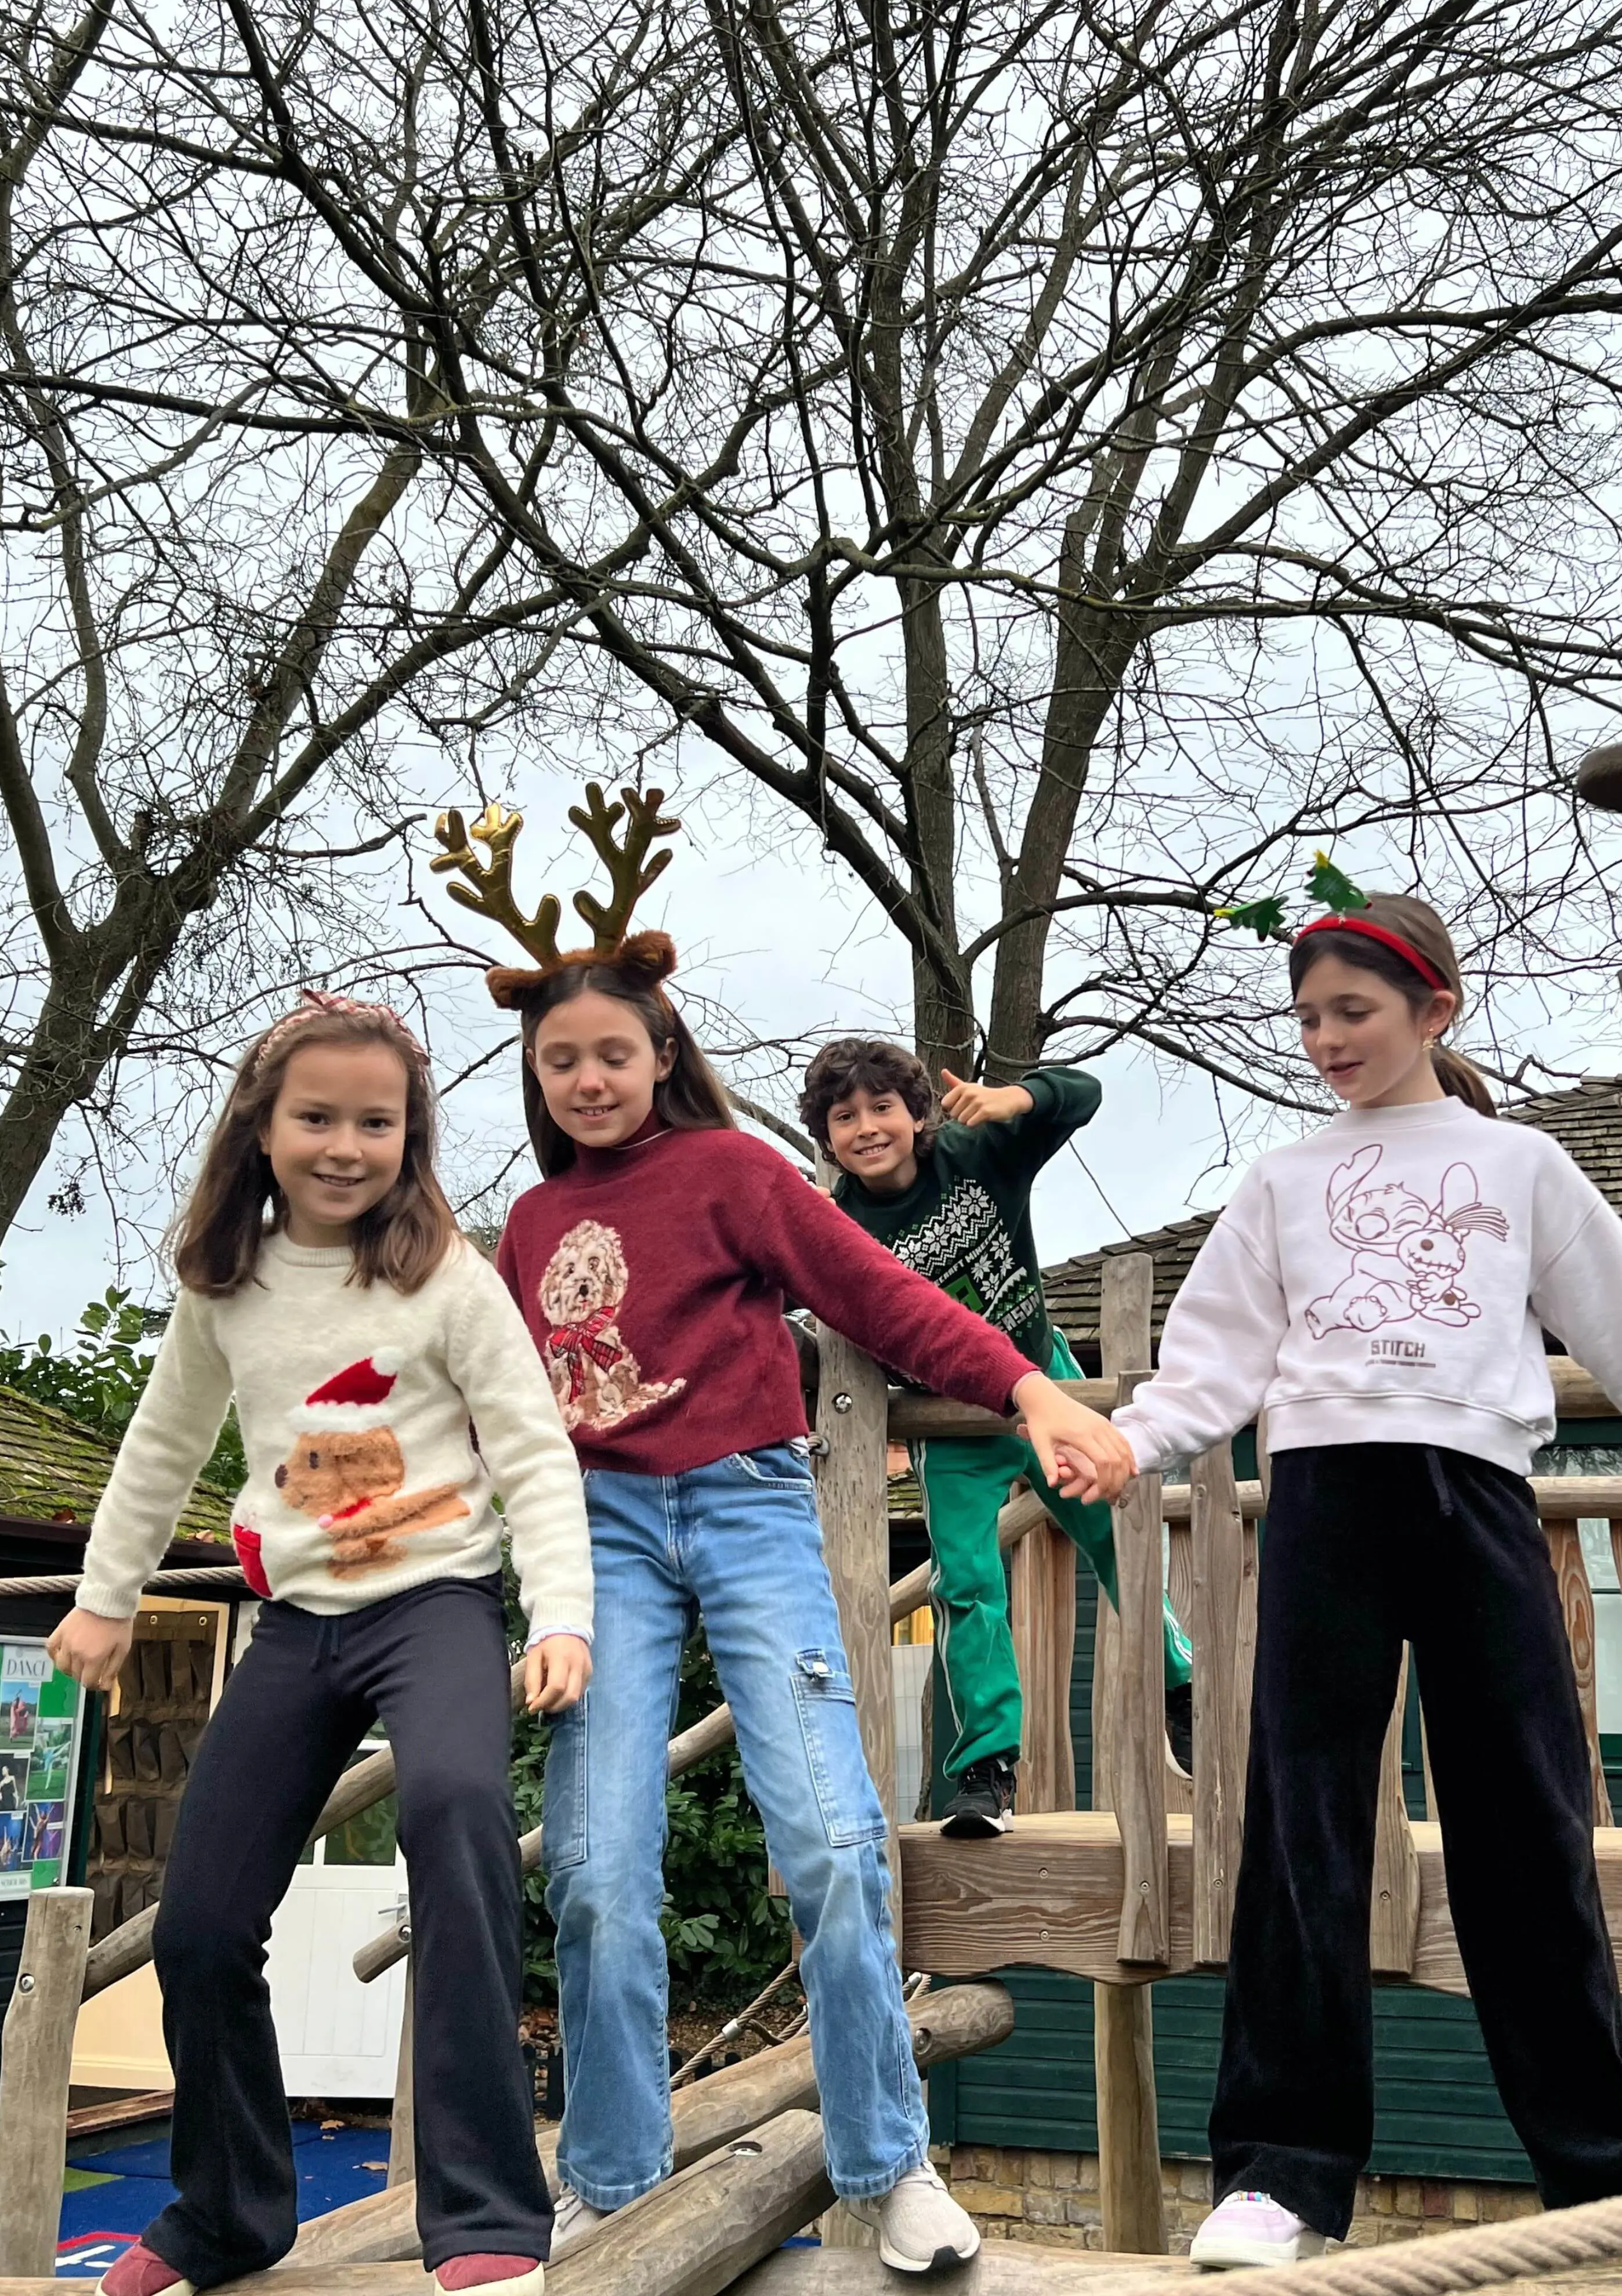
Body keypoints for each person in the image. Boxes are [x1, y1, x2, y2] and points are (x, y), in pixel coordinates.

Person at [432, 786, 1132, 2275]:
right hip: (600, 1537)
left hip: (748, 1504)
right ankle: (612, 2174)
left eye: (614, 1051)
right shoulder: (533, 1226)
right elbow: (497, 1405)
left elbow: (879, 1295)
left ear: (661, 1051)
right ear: (535, 1074)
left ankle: (886, 2161)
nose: (588, 1078)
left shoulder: (738, 1172)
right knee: (598, 1866)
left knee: (825, 1835)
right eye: (559, 1060)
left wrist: (1025, 1386)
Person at [46, 991, 595, 2296]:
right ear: (264, 1126)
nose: (346, 1147)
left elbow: (532, 1449)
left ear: (411, 1138)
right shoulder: (226, 1285)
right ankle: (226, 2213)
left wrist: (560, 1612)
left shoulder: (445, 1277)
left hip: (434, 1604)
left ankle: (485, 2213)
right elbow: (162, 1446)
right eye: (317, 1119)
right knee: (198, 1921)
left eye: (376, 1123)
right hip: (298, 1623)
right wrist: (106, 1596)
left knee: (458, 1816)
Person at [1108, 893, 1622, 2266]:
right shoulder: (1285, 1180)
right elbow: (1211, 1357)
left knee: (1528, 1818)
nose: (1326, 1037)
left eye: (1353, 1011)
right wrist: (1127, 1441)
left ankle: (1595, 2161)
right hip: (1325, 1502)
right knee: (1303, 1819)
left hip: (1476, 1499)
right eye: (1308, 1017)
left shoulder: (1518, 1164)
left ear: (1431, 1008)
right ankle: (1281, 2172)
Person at [798, 1038, 1194, 1834]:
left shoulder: (975, 1157)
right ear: (828, 1140)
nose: (867, 1127)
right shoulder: (840, 1231)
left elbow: (1082, 1093)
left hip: (1045, 1387)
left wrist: (1019, 1098)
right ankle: (987, 1768)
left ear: (919, 1115)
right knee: (966, 1581)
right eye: (845, 1118)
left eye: (882, 1108)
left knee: (1110, 1534)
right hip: (950, 1421)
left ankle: (1180, 1689)